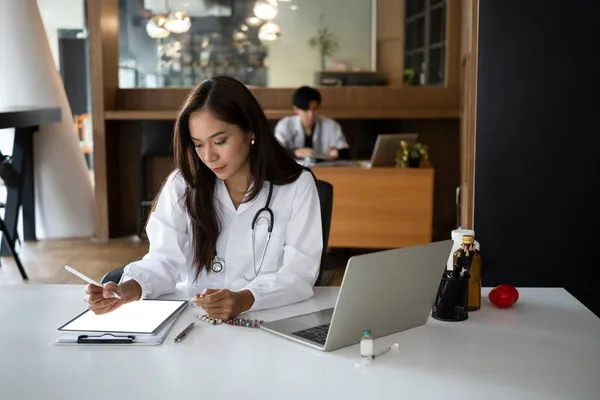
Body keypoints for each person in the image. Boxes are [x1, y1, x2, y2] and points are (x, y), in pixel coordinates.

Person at [85, 76, 323, 319]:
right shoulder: (183, 184)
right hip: (195, 322)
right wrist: (126, 290)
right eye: (198, 145)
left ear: (250, 130)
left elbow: (299, 274)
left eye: (220, 141)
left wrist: (246, 299)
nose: (209, 156)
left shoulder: (297, 186)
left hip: (269, 319)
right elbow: (164, 259)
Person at [274, 86, 350, 160]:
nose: (311, 115)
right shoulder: (285, 125)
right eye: (305, 110)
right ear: (295, 109)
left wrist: (337, 153)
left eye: (314, 109)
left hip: (324, 169)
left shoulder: (330, 125)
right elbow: (274, 151)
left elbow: (346, 151)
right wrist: (294, 152)